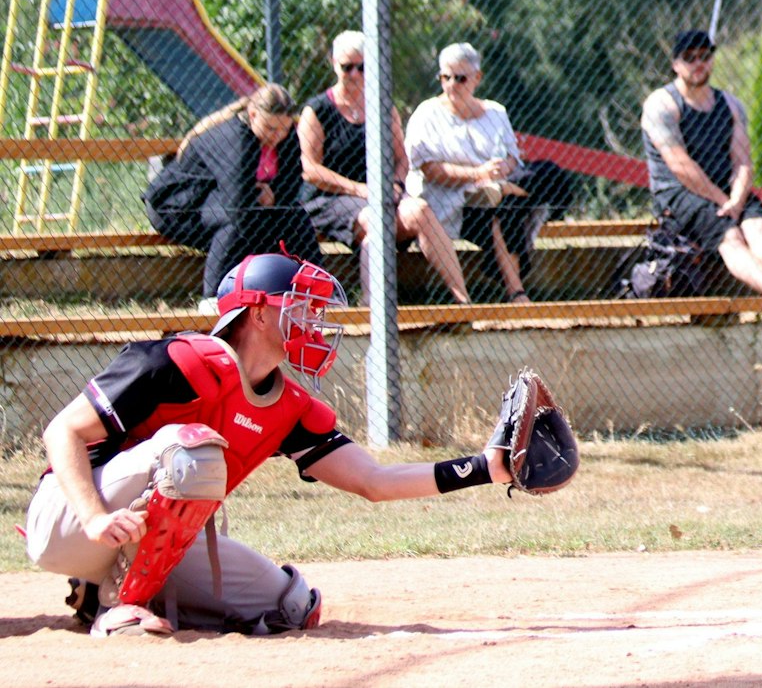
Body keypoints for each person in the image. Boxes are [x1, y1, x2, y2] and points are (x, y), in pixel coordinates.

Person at [20, 253, 515, 637]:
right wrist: (93, 516)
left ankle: (105, 592)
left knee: (290, 608)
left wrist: (485, 468)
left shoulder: (286, 405)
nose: (314, 321)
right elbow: (62, 432)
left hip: (147, 538)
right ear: (256, 314)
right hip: (71, 518)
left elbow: (375, 481)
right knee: (190, 450)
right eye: (300, 306)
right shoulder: (173, 362)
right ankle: (118, 604)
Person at [641, 29, 762, 297]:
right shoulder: (661, 105)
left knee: (756, 226)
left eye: (705, 56)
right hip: (679, 195)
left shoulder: (731, 104)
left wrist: (736, 199)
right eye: (690, 57)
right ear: (676, 64)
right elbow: (680, 166)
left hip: (728, 192)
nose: (698, 63)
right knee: (731, 237)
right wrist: (722, 201)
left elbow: (743, 163)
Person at [299, 31, 472, 305]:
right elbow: (310, 168)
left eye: (362, 67)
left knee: (421, 211)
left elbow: (401, 159)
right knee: (374, 221)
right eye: (347, 67)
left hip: (381, 197)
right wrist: (359, 189)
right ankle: (373, 309)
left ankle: (463, 302)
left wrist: (395, 185)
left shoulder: (382, 107)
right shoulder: (317, 110)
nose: (355, 74)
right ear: (334, 64)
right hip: (331, 199)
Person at [405, 43, 555, 303]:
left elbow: (513, 157)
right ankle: (516, 292)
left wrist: (504, 168)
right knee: (501, 210)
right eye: (445, 77)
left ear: (477, 78)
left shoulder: (496, 112)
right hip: (452, 202)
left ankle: (503, 190)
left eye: (460, 78)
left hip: (496, 189)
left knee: (550, 173)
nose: (452, 85)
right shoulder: (427, 114)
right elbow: (429, 169)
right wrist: (477, 174)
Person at [143, 84, 324, 298]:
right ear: (253, 115)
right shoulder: (237, 138)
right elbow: (238, 202)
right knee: (234, 222)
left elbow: (291, 182)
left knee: (297, 217)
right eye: (270, 128)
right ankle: (214, 298)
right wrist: (261, 195)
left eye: (283, 128)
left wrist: (273, 193)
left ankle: (320, 290)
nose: (278, 135)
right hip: (177, 206)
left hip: (225, 201)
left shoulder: (286, 136)